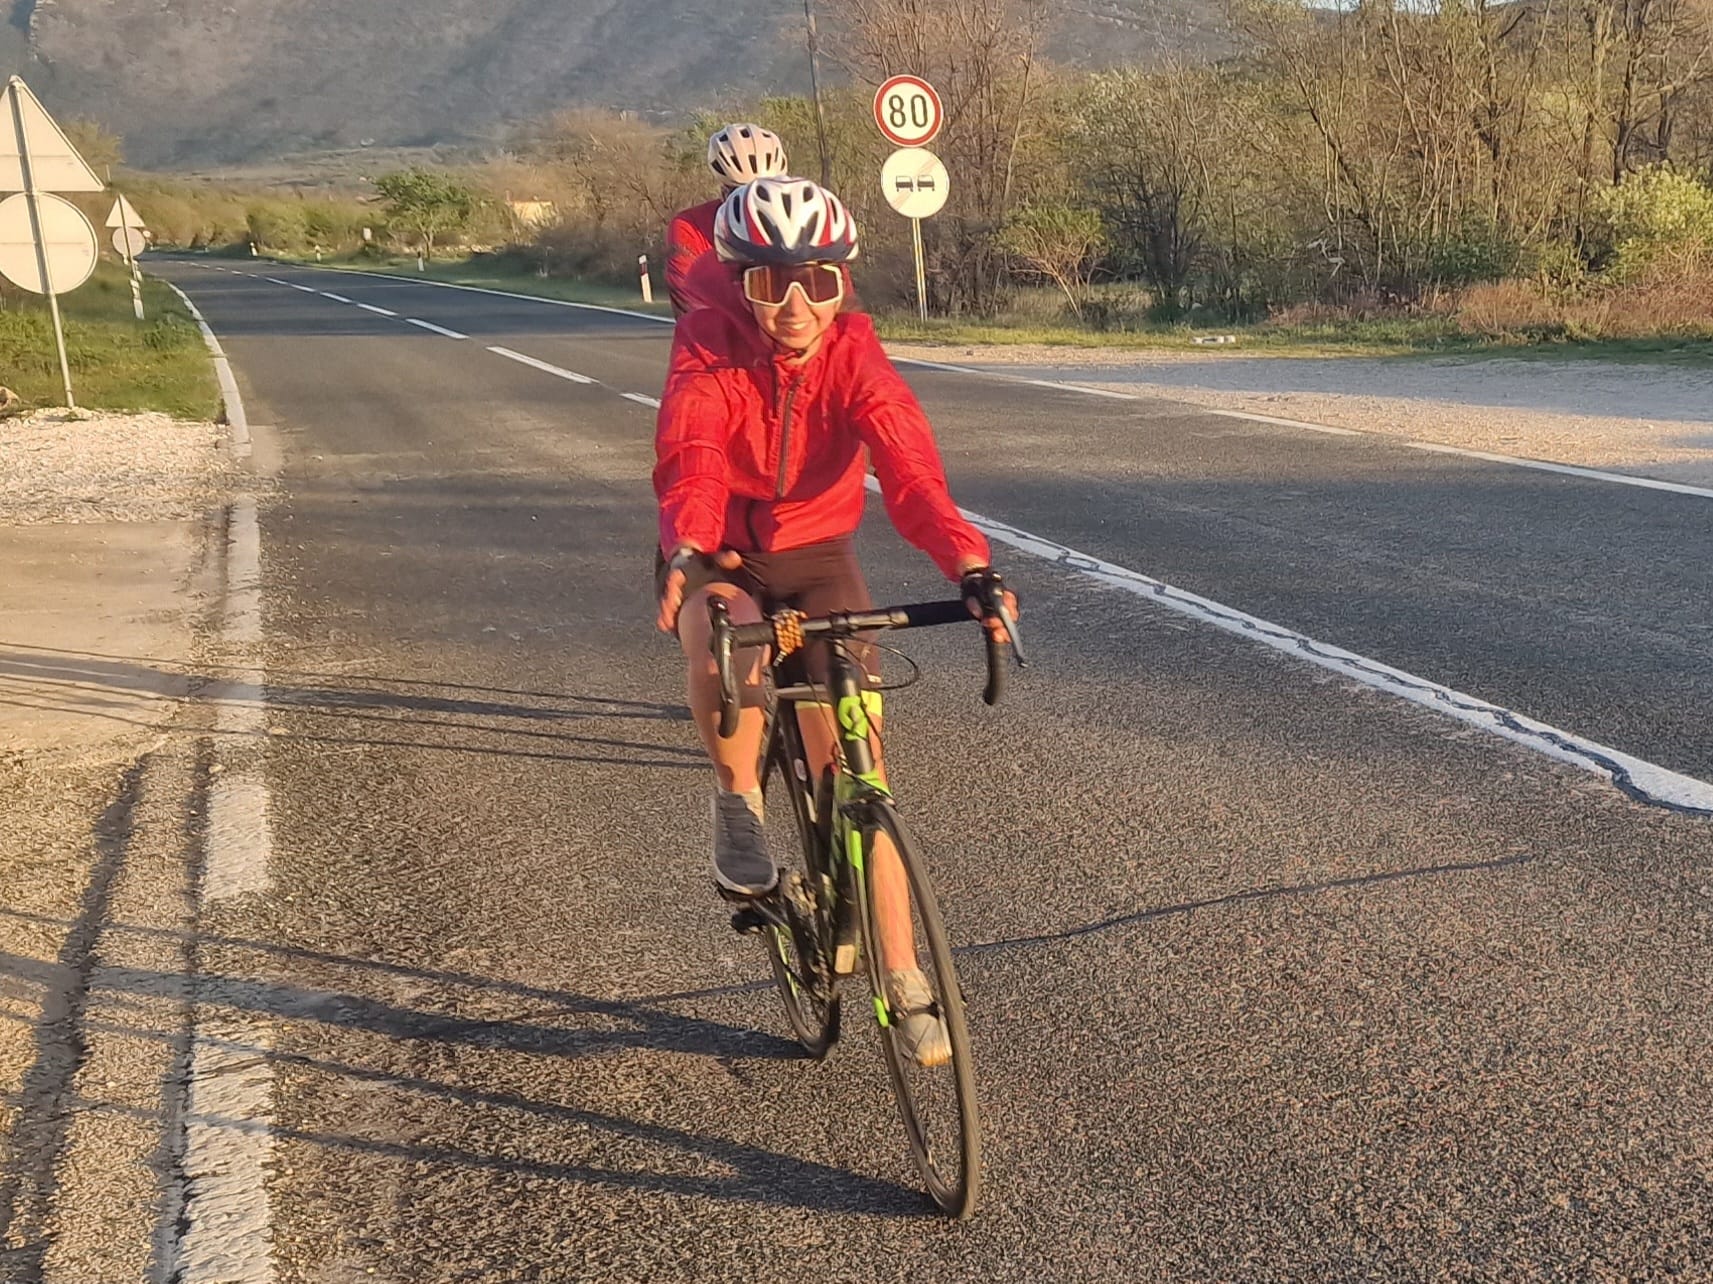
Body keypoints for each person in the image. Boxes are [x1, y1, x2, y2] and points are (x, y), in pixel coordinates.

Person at [653, 177, 1019, 1066]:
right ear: (738, 283)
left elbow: (910, 468)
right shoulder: (707, 344)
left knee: (860, 769)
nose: (794, 305)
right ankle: (738, 803)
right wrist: (688, 541)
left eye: (816, 282)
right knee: (726, 638)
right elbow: (692, 449)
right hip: (720, 550)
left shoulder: (854, 351)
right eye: (769, 283)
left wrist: (969, 566)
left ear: (841, 282)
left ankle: (905, 974)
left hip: (819, 555)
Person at [665, 124, 789, 316]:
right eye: (741, 194)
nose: (755, 205)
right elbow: (692, 309)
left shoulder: (804, 222)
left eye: (766, 193)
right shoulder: (692, 227)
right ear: (724, 194)